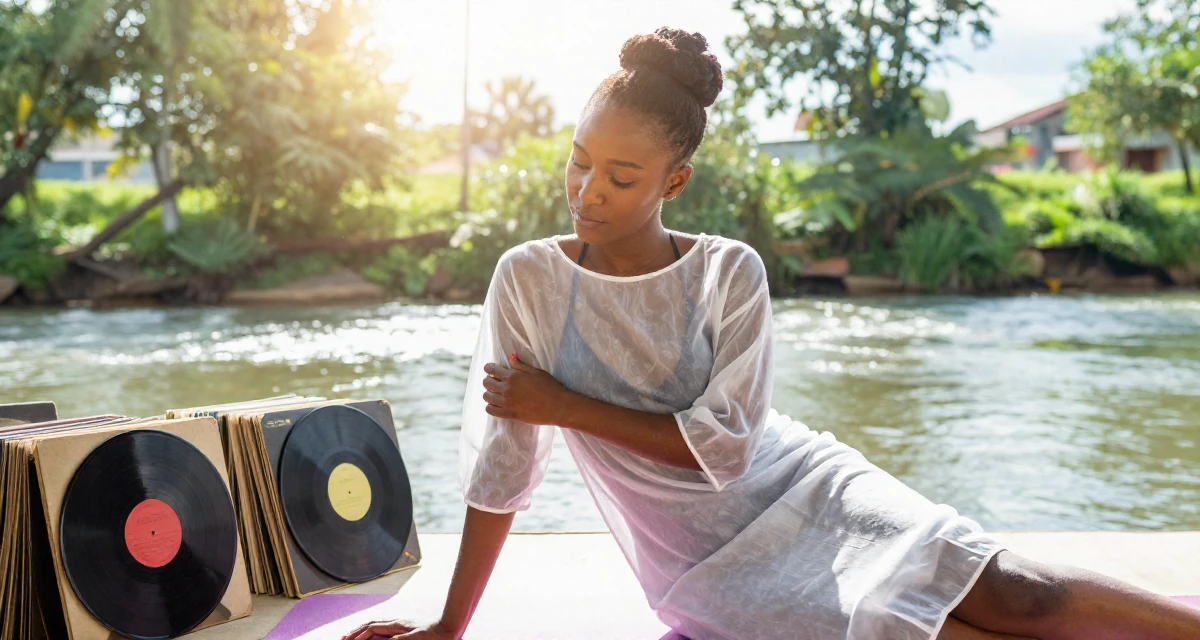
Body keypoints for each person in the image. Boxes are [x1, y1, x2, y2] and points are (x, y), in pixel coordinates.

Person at [345, 27, 1200, 640]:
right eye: (578, 159)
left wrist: (559, 403)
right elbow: (505, 464)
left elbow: (723, 449)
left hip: (805, 488)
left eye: (621, 174)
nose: (586, 191)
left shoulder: (730, 271)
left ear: (674, 179)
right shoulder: (527, 278)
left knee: (1021, 598)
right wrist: (450, 627)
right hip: (697, 560)